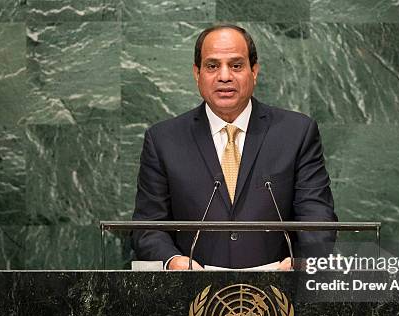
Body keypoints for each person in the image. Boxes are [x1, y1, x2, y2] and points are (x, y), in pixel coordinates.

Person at [131, 24, 337, 270]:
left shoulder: (297, 132)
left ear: (255, 71)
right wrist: (173, 261)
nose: (224, 76)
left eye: (236, 65)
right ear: (197, 73)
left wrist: (302, 262)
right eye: (212, 66)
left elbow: (317, 217)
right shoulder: (163, 139)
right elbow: (148, 227)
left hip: (280, 294)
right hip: (192, 296)